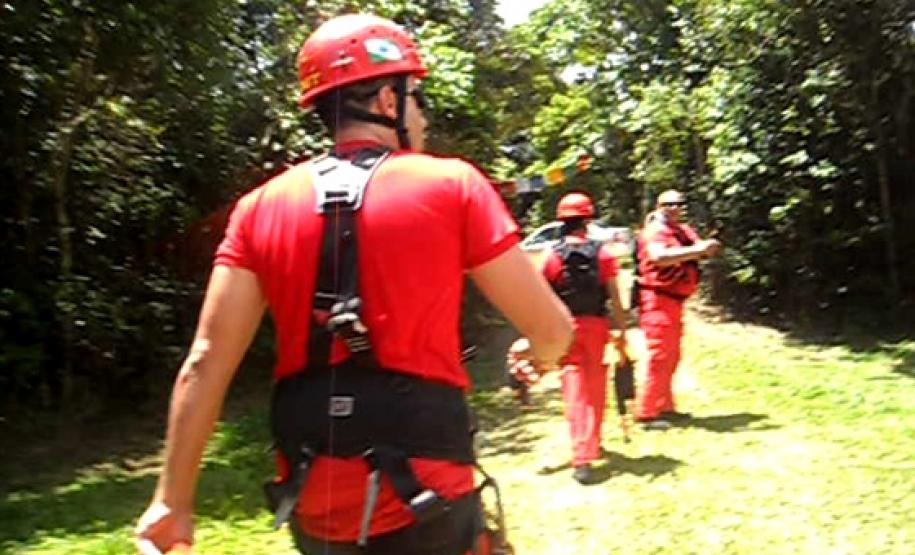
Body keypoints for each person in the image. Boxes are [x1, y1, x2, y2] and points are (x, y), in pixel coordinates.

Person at [134, 13, 572, 555]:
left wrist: (172, 500)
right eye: (417, 100)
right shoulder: (454, 184)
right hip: (431, 499)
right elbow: (554, 330)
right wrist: (538, 354)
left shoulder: (257, 209)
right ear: (388, 101)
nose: (423, 117)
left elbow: (205, 361)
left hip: (315, 507)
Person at [508, 192, 628, 485]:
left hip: (566, 329)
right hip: (597, 326)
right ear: (588, 220)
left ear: (561, 220)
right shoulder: (603, 254)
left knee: (575, 389)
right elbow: (615, 297)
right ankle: (592, 444)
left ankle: (582, 456)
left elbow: (540, 296)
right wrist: (622, 330)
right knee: (596, 386)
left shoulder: (551, 255)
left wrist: (536, 332)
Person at [635, 189, 721, 430]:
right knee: (660, 355)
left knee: (672, 356)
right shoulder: (655, 231)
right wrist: (698, 250)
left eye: (680, 204)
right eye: (669, 204)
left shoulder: (682, 230)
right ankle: (647, 413)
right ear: (659, 206)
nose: (675, 208)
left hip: (675, 301)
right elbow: (659, 257)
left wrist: (707, 247)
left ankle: (664, 406)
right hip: (657, 300)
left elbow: (698, 249)